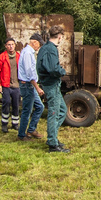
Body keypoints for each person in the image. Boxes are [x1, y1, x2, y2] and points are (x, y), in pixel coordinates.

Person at [38, 24, 69, 153]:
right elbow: (52, 69)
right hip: (51, 85)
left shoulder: (45, 47)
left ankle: (53, 138)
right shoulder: (50, 49)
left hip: (50, 84)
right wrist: (62, 71)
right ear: (60, 36)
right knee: (54, 113)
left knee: (62, 110)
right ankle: (52, 143)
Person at [17, 32, 42, 140]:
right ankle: (21, 135)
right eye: (39, 45)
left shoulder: (29, 52)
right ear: (34, 42)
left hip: (29, 85)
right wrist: (37, 87)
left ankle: (31, 129)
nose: (39, 47)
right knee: (27, 110)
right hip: (27, 85)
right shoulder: (27, 53)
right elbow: (29, 73)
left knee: (40, 107)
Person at [0, 37, 19, 133]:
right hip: (6, 85)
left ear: (15, 45)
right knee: (6, 103)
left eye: (12, 44)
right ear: (6, 46)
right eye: (9, 45)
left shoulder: (18, 56)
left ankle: (15, 123)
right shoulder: (2, 57)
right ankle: (4, 124)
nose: (11, 46)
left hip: (16, 85)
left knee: (16, 104)